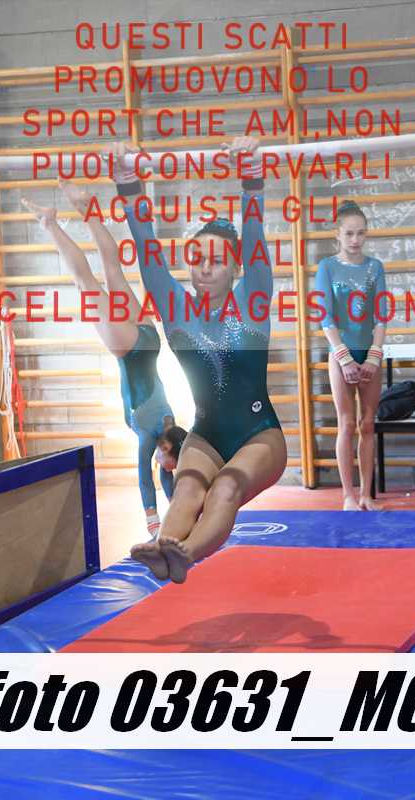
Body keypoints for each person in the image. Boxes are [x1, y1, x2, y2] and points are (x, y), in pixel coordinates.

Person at [109, 136, 287, 583]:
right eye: (198, 259)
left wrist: (250, 178)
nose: (206, 267)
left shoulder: (252, 301)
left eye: (218, 260)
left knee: (225, 486)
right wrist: (128, 185)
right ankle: (163, 549)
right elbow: (147, 252)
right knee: (187, 488)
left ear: (236, 267)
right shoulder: (177, 309)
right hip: (206, 434)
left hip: (260, 434)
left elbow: (254, 238)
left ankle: (185, 553)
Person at [21, 181, 185, 540]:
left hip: (149, 339)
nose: (167, 469)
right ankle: (50, 223)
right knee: (86, 284)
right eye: (169, 463)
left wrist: (178, 509)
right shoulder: (150, 435)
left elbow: (165, 477)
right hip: (130, 349)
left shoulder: (171, 423)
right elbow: (146, 477)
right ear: (167, 449)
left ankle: (87, 207)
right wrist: (154, 521)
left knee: (113, 270)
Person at [315, 200, 387, 511]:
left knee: (367, 424)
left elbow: (381, 316)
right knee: (346, 424)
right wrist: (344, 358)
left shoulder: (375, 267)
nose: (356, 240)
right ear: (338, 234)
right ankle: (348, 495)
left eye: (361, 233)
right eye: (349, 233)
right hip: (340, 353)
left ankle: (366, 495)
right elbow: (325, 316)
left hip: (370, 353)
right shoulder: (327, 267)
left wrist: (373, 357)